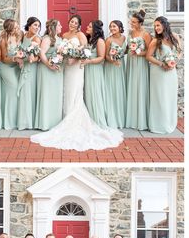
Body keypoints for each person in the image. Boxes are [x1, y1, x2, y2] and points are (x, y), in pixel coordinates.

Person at [31, 15, 123, 150]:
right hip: (65, 68)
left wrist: (74, 58)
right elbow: (59, 50)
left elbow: (85, 50)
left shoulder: (81, 35)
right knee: (66, 91)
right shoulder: (63, 35)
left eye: (75, 22)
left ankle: (74, 119)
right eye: (71, 21)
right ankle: (64, 117)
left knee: (75, 91)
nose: (72, 24)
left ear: (79, 25)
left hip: (76, 67)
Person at [146, 16, 181, 134]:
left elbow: (180, 51)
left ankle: (169, 122)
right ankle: (158, 124)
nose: (156, 28)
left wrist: (174, 62)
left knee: (170, 97)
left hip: (171, 72)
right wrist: (162, 64)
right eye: (154, 26)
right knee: (160, 97)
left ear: (165, 25)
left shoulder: (175, 37)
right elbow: (148, 56)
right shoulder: (156, 41)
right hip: (158, 72)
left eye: (158, 25)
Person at [34, 19, 64, 130]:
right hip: (46, 69)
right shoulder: (47, 39)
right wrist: (48, 64)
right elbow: (41, 53)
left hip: (57, 70)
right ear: (54, 27)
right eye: (59, 25)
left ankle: (55, 122)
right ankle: (46, 122)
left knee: (56, 94)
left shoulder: (60, 39)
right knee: (47, 94)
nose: (61, 26)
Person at [125, 9, 151, 130]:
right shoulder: (131, 33)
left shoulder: (145, 34)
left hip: (140, 63)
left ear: (140, 23)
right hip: (131, 62)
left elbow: (151, 51)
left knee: (140, 87)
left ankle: (141, 120)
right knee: (132, 87)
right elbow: (127, 48)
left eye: (134, 22)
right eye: (131, 21)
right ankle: (132, 118)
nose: (132, 24)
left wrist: (138, 53)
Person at [17, 17, 41, 130]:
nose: (37, 28)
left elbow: (37, 58)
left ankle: (28, 122)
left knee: (28, 92)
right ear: (29, 25)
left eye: (38, 26)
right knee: (24, 93)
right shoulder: (24, 36)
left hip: (31, 68)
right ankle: (23, 121)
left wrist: (28, 59)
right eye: (35, 25)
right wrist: (18, 57)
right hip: (22, 67)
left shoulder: (36, 39)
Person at [82, 20, 107, 128]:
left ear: (95, 29)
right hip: (87, 69)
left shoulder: (100, 41)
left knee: (94, 93)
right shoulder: (89, 39)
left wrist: (89, 61)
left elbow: (102, 58)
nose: (87, 27)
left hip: (95, 70)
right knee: (87, 92)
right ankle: (88, 119)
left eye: (90, 26)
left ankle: (97, 120)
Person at [0, 19, 23, 129]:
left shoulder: (20, 35)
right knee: (13, 89)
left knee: (18, 90)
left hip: (17, 67)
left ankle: (18, 119)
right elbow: (4, 59)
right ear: (9, 28)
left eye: (18, 26)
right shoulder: (3, 40)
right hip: (6, 67)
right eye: (15, 27)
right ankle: (8, 121)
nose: (17, 29)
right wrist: (15, 59)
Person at [105, 20, 127, 129]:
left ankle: (121, 117)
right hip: (111, 67)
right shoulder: (109, 40)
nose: (112, 28)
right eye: (110, 27)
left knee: (120, 89)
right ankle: (112, 117)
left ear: (119, 27)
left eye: (114, 26)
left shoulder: (124, 38)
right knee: (112, 90)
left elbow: (126, 51)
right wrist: (113, 60)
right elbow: (106, 56)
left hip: (121, 66)